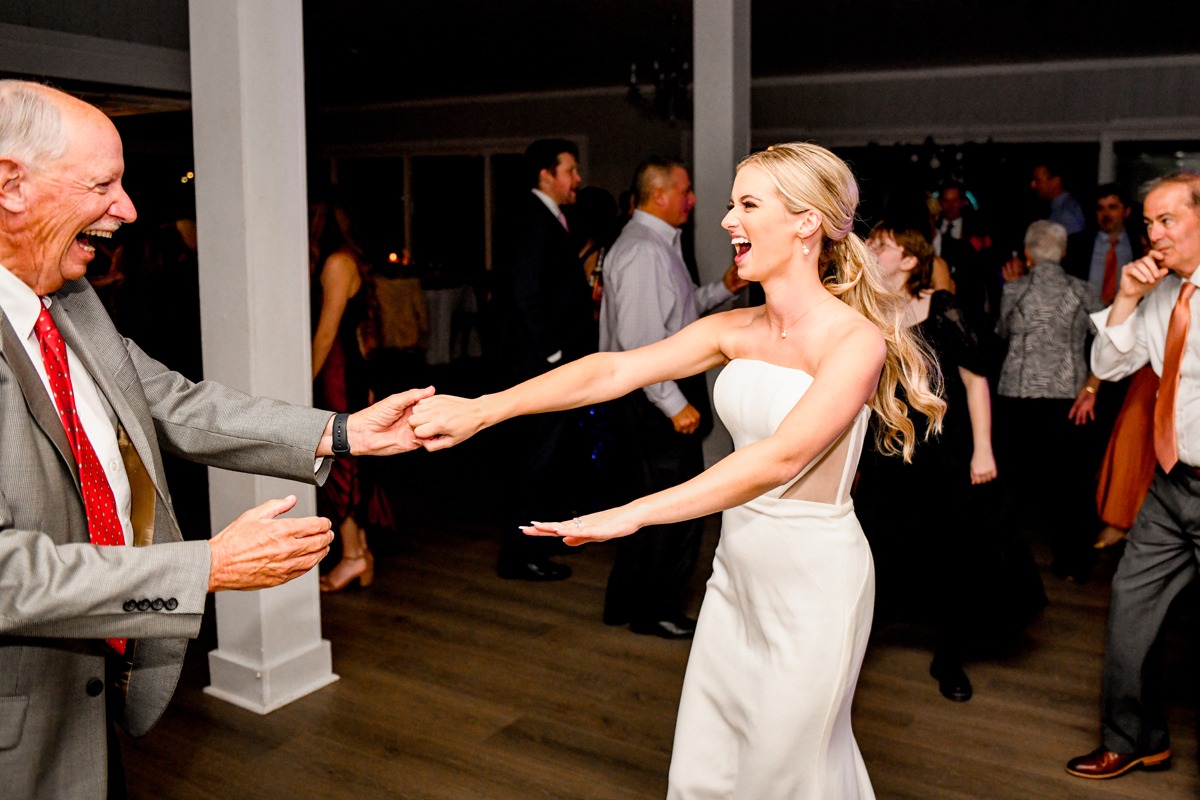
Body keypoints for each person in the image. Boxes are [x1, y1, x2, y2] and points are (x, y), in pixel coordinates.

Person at [411, 141, 945, 797]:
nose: (726, 220)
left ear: (807, 222)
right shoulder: (738, 326)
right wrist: (486, 409)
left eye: (748, 204)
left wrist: (633, 513)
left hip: (813, 581)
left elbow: (777, 459)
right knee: (708, 762)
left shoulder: (853, 340)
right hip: (737, 568)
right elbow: (616, 367)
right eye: (728, 204)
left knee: (787, 771)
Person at [0, 80, 432, 800]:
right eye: (103, 184)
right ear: (10, 185)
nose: (129, 209)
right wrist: (203, 567)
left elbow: (171, 402)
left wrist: (342, 431)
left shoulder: (69, 298)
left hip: (88, 686)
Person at [1066, 172, 1200, 781]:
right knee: (1130, 605)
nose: (1154, 233)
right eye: (1149, 221)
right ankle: (1134, 737)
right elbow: (1110, 366)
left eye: (1166, 219)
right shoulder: (1162, 296)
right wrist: (1124, 299)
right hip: (1171, 489)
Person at [598, 156, 748, 638]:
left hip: (650, 395)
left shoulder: (656, 244)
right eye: (684, 189)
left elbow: (679, 318)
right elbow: (642, 343)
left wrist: (721, 289)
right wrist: (672, 403)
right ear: (659, 195)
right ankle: (654, 610)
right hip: (652, 400)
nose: (693, 198)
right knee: (674, 508)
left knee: (647, 501)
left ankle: (624, 604)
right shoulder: (643, 250)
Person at [855, 217, 999, 703]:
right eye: (870, 242)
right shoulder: (863, 310)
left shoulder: (942, 306)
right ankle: (854, 645)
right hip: (885, 450)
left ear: (910, 259)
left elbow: (976, 380)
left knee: (950, 551)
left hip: (943, 449)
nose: (870, 248)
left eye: (882, 244)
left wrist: (983, 449)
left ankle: (949, 656)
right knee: (871, 545)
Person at [488, 138, 592, 581]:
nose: (578, 179)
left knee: (548, 456)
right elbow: (525, 293)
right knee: (534, 457)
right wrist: (553, 353)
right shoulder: (533, 220)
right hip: (538, 363)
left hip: (550, 360)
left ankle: (539, 539)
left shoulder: (553, 218)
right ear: (545, 175)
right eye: (570, 170)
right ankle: (518, 555)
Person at [995, 220, 1105, 582]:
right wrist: (1093, 385)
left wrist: (1012, 288)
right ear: (1065, 253)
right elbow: (1110, 338)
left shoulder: (1016, 290)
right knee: (1070, 484)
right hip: (1067, 397)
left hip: (1018, 396)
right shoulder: (1082, 290)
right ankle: (1074, 562)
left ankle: (1005, 565)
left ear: (1027, 254)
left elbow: (1002, 333)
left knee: (1013, 483)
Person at [308, 200, 381, 592]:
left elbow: (327, 332)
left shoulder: (337, 262)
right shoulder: (345, 258)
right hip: (348, 371)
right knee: (349, 460)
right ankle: (361, 553)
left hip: (336, 373)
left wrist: (303, 382)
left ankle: (353, 556)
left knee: (339, 464)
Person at [1031, 160, 1087, 235]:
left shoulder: (1066, 215)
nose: (1033, 185)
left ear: (1055, 181)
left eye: (1038, 180)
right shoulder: (1058, 210)